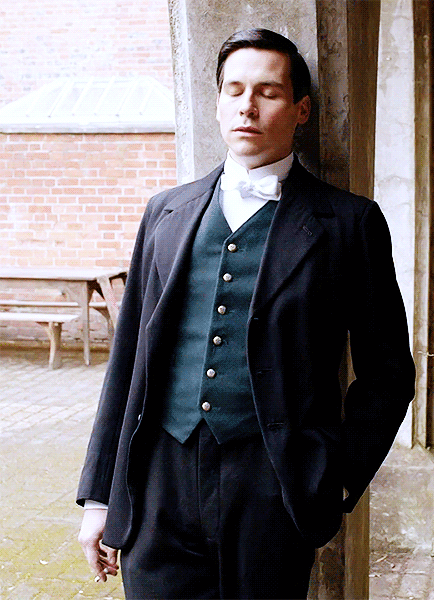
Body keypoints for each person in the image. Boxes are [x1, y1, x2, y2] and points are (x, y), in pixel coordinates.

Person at [77, 28, 415, 600]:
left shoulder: (349, 223)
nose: (247, 107)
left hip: (272, 485)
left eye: (268, 92)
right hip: (159, 483)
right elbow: (128, 360)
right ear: (217, 103)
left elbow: (388, 374)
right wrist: (99, 497)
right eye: (234, 91)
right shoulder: (166, 212)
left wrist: (335, 479)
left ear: (301, 109)